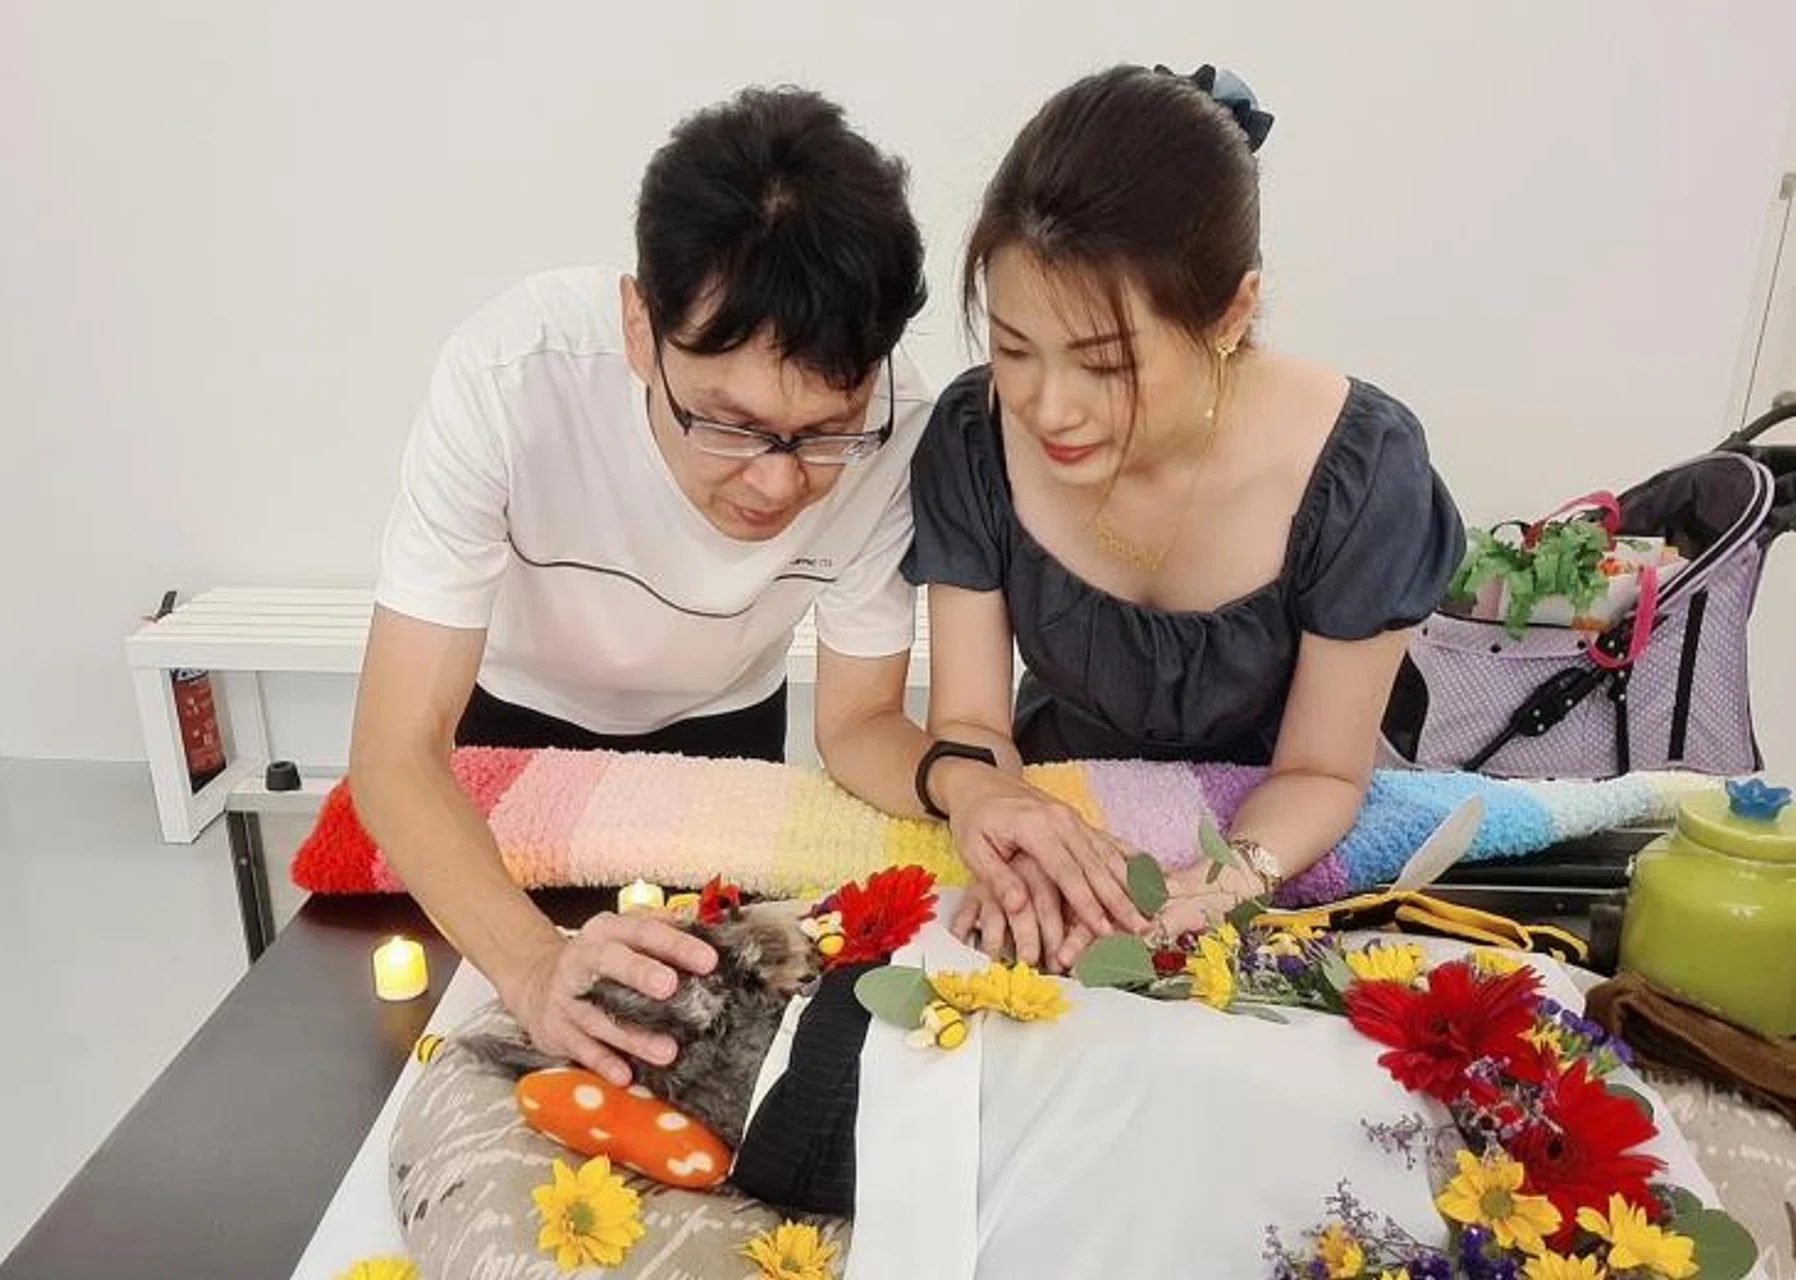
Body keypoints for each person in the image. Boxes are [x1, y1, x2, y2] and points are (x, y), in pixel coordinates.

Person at [351, 87, 976, 1087]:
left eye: (824, 432)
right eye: (725, 422)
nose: (777, 483)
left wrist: (972, 785)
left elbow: (859, 721)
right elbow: (393, 752)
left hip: (719, 741)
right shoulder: (513, 377)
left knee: (694, 1060)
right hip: (507, 741)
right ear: (641, 328)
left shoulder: (899, 428)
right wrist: (530, 961)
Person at [903, 65, 1465, 972]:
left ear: (1231, 314)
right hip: (1070, 802)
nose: (1050, 408)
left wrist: (1225, 884)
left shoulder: (1360, 468)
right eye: (1013, 348)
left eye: (1106, 363)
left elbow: (1321, 773)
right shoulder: (973, 436)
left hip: (1285, 835)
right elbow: (970, 721)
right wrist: (999, 813)